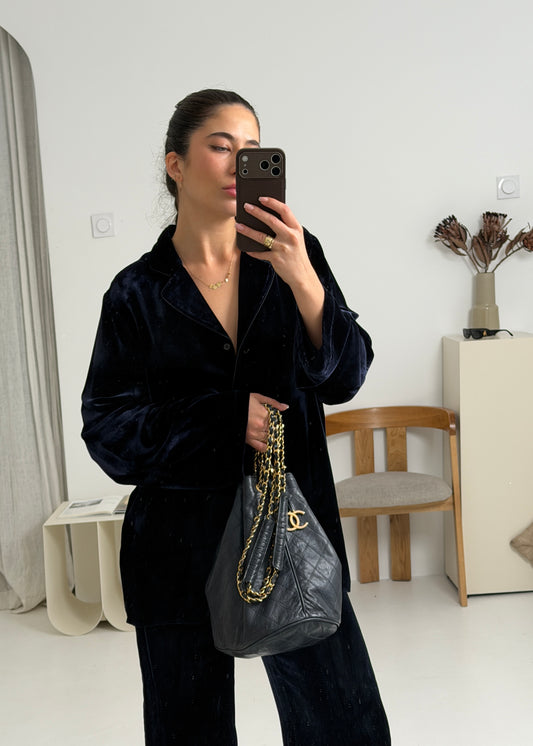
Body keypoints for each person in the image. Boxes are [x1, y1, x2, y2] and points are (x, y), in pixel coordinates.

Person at [81, 89, 390, 746]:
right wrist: (223, 420)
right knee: (188, 732)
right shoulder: (136, 292)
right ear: (176, 164)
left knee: (344, 727)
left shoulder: (294, 255)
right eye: (220, 146)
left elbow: (345, 378)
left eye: (252, 150)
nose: (237, 163)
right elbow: (107, 430)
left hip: (293, 531)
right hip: (177, 548)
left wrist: (304, 280)